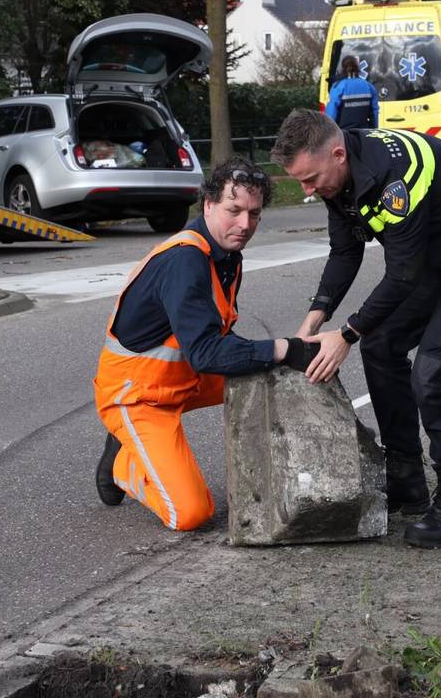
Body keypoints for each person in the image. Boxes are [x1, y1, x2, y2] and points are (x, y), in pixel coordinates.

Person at [270, 109, 441, 549]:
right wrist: (317, 315)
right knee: (382, 346)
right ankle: (406, 477)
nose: (307, 191)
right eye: (300, 182)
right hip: (434, 257)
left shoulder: (394, 176)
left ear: (337, 154)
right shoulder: (339, 175)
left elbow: (403, 273)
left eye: (310, 179)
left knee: (433, 373)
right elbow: (345, 252)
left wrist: (347, 333)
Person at [92, 157, 319, 531]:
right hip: (139, 395)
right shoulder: (185, 260)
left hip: (185, 378)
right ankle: (123, 465)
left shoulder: (227, 256)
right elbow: (207, 352)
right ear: (209, 204)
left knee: (271, 372)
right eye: (234, 210)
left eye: (255, 214)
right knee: (191, 514)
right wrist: (284, 348)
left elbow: (213, 343)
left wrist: (280, 356)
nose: (245, 224)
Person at [325, 55, 379, 130]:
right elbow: (374, 112)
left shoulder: (338, 86)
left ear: (343, 68)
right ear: (357, 68)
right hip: (363, 133)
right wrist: (373, 130)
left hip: (344, 134)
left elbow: (331, 112)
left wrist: (330, 131)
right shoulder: (369, 86)